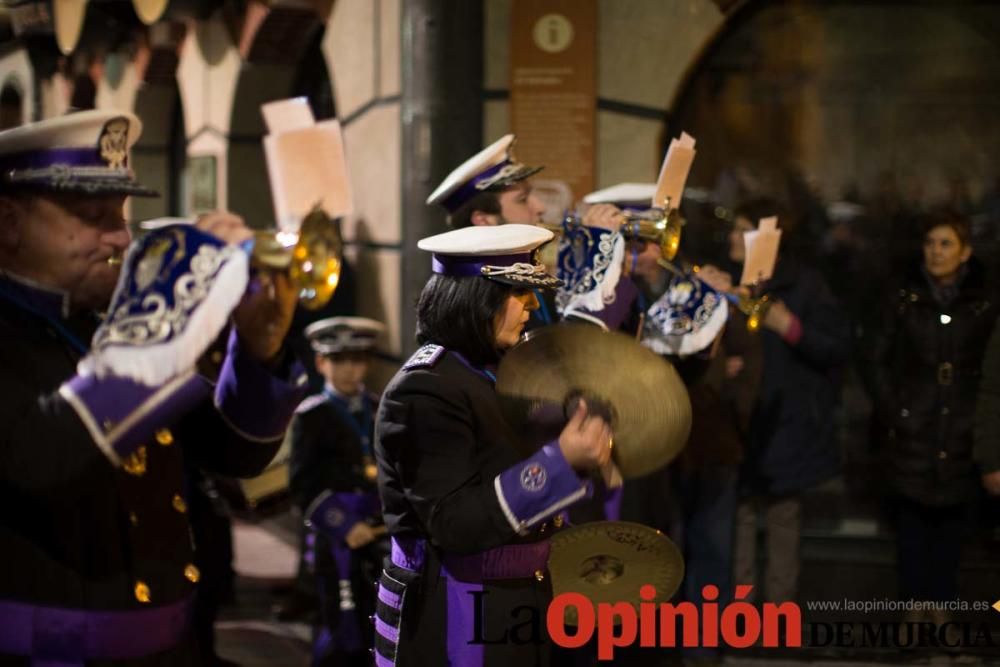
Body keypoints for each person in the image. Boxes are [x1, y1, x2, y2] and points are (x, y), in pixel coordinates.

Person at [0, 110, 307, 665]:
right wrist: (162, 313)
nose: (120, 234)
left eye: (120, 212)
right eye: (92, 215)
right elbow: (35, 462)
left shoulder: (100, 325)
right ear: (8, 222)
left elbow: (237, 452)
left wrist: (260, 350)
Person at [368, 224, 613, 666]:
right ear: (475, 299)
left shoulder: (498, 369)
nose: (533, 305)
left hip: (519, 598)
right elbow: (455, 523)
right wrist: (561, 464)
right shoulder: (424, 391)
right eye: (520, 293)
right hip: (455, 607)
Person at [699, 198, 850, 606]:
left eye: (742, 230)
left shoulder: (804, 284)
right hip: (737, 419)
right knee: (740, 517)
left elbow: (835, 348)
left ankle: (781, 616)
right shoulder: (723, 278)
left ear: (767, 240)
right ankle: (742, 613)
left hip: (788, 418)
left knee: (784, 518)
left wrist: (790, 328)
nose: (731, 236)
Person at [870, 212, 997, 624]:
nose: (936, 252)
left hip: (961, 423)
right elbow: (876, 358)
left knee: (951, 527)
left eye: (945, 244)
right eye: (930, 243)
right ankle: (911, 611)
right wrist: (897, 409)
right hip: (914, 423)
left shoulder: (983, 301)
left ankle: (941, 612)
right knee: (912, 526)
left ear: (965, 252)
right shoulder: (904, 296)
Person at [291, 316, 388, 666]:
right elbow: (303, 484)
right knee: (337, 617)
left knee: (376, 616)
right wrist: (344, 525)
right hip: (335, 537)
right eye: (339, 360)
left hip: (378, 531)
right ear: (321, 363)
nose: (350, 370)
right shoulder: (311, 415)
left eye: (357, 360)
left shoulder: (380, 408)